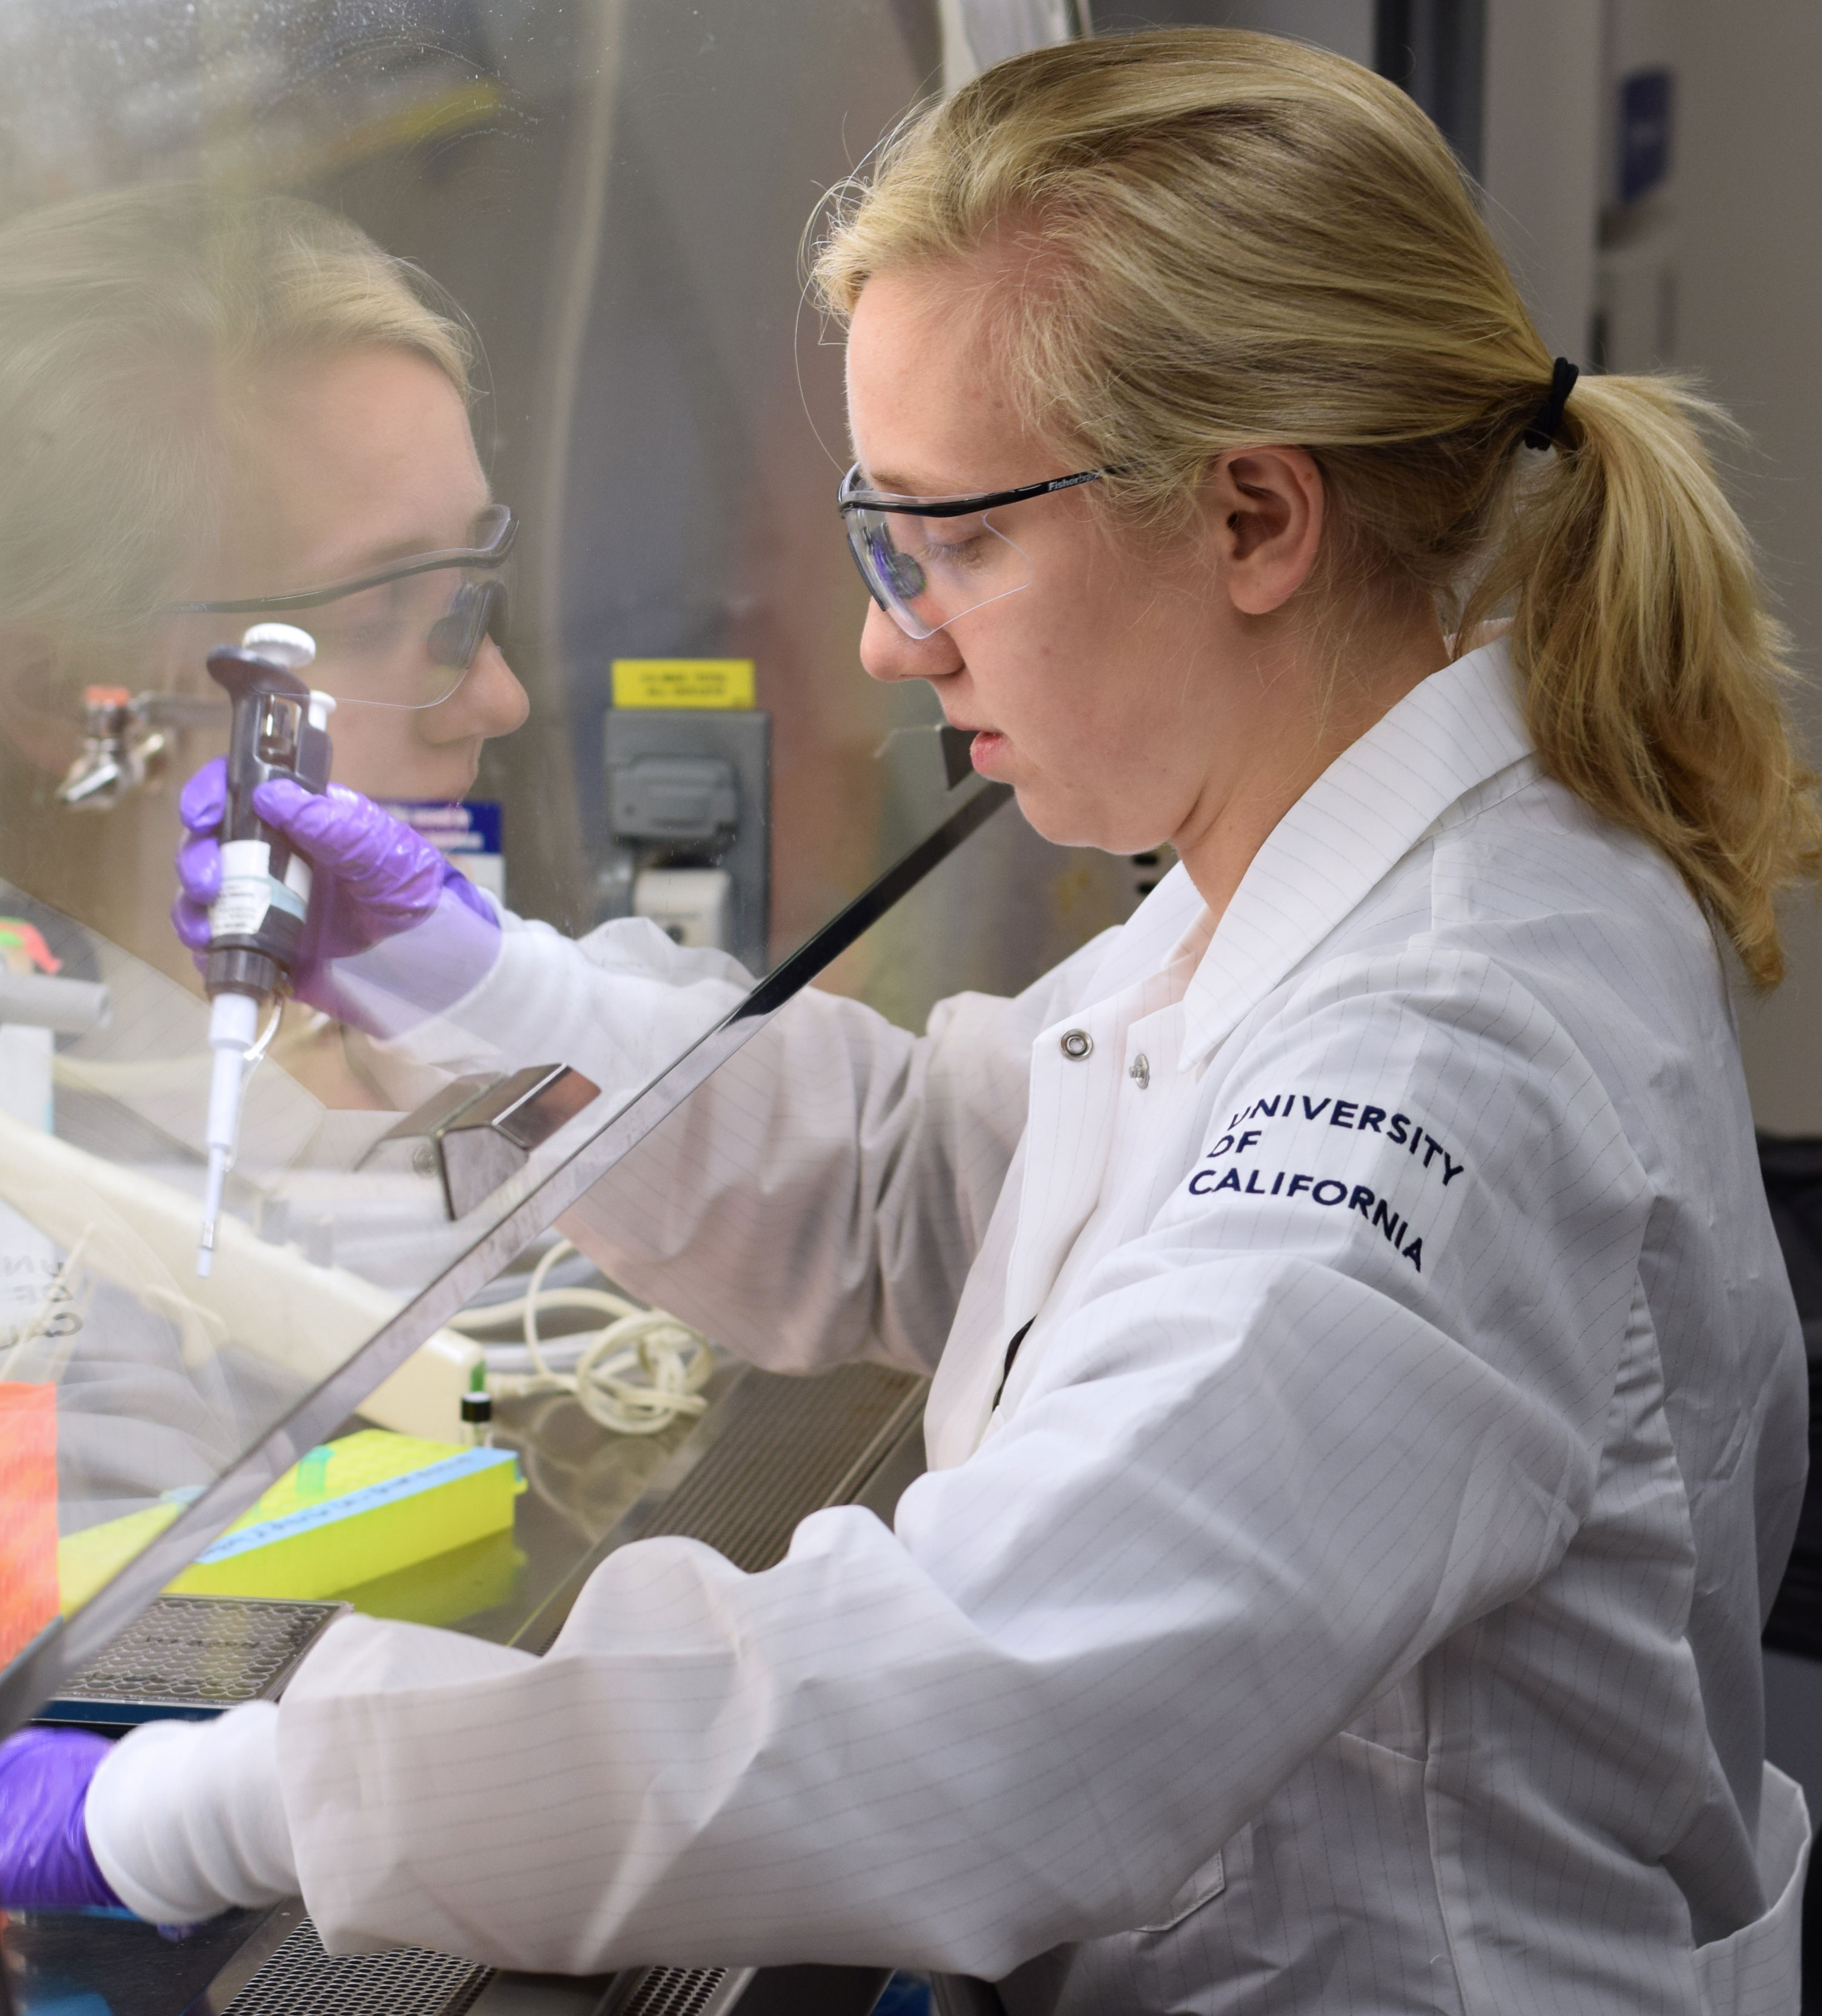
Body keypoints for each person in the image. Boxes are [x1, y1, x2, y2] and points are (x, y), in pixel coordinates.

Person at [2, 28, 1815, 2015]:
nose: (885, 633)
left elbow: (980, 1716)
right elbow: (932, 1189)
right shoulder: (1309, 864)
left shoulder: (1451, 1042)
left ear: (1250, 521)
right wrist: (470, 978)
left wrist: (214, 1803)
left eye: (945, 539)